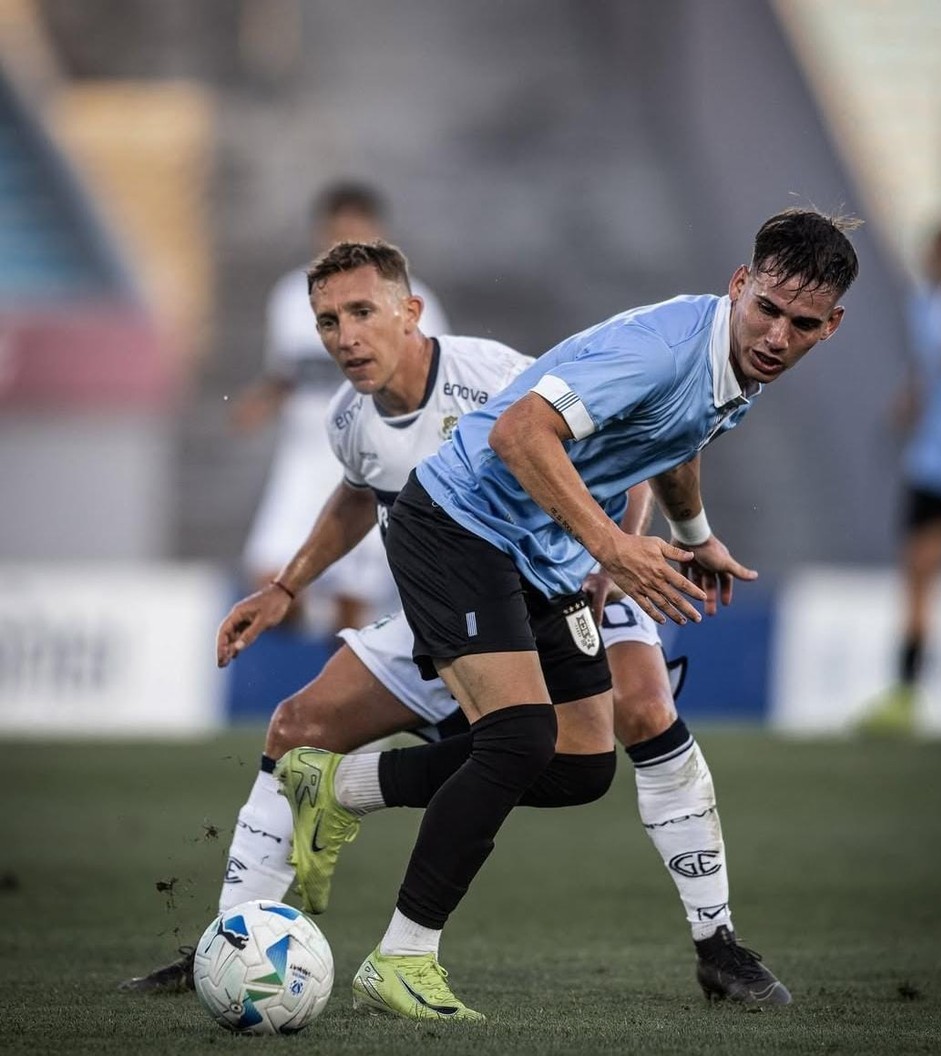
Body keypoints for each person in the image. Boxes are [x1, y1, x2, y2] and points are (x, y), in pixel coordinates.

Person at [120, 240, 788, 1008]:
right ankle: (232, 944)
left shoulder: (496, 373)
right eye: (326, 321)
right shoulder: (350, 421)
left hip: (574, 564)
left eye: (361, 313)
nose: (344, 337)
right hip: (455, 581)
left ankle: (719, 945)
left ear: (411, 312)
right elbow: (353, 496)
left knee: (623, 722)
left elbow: (627, 440)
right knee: (298, 724)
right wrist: (286, 587)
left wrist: (616, 553)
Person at [276, 209, 859, 1022]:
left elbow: (675, 442)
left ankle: (342, 786)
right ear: (740, 286)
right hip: (457, 523)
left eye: (801, 324)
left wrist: (697, 537)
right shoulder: (662, 346)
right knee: (516, 738)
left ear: (829, 328)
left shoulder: (732, 368)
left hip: (534, 552)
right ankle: (402, 956)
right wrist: (615, 549)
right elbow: (520, 432)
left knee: (581, 764)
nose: (775, 334)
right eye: (765, 309)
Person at [234, 181, 449, 632]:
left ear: (378, 235)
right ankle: (333, 625)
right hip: (304, 459)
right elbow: (292, 371)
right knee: (269, 578)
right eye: (336, 232)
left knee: (355, 595)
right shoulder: (292, 297)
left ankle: (354, 656)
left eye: (356, 234)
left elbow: (435, 377)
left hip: (370, 458)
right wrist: (263, 401)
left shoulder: (408, 301)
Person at [858, 219, 941, 733]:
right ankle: (906, 695)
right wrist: (911, 400)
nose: (938, 258)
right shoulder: (925, 303)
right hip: (936, 460)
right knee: (918, 574)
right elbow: (929, 367)